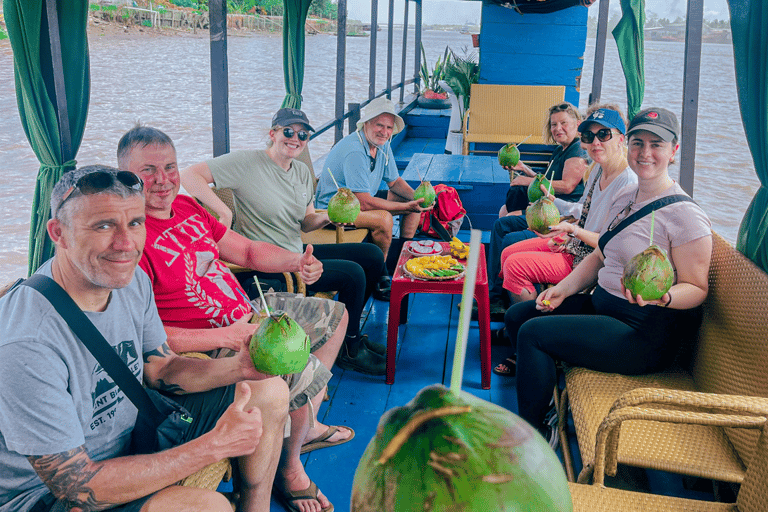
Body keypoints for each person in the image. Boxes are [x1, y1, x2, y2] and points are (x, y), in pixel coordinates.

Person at [0, 166, 288, 512]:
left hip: (130, 436)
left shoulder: (130, 280)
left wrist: (238, 367)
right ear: (58, 233)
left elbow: (161, 369)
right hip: (49, 494)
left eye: (135, 223)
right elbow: (76, 486)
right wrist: (214, 446)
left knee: (269, 391)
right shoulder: (26, 341)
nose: (126, 245)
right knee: (207, 508)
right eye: (103, 225)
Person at [117, 127, 350, 512]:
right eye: (148, 171)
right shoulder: (131, 240)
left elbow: (249, 251)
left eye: (170, 167)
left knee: (334, 317)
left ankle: (298, 431)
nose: (163, 180)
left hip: (251, 312)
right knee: (295, 366)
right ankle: (290, 468)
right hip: (210, 341)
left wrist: (298, 261)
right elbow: (146, 334)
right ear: (126, 176)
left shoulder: (190, 209)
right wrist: (228, 334)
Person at [504, 108, 712, 447]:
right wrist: (563, 288)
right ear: (627, 146)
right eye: (638, 143)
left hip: (641, 330)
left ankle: (535, 434)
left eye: (656, 144)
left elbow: (698, 287)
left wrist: (666, 296)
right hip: (603, 306)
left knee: (533, 335)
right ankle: (546, 390)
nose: (645, 153)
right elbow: (601, 254)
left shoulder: (685, 215)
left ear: (673, 151)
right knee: (518, 315)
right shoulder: (625, 196)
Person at [180, 108, 388, 376]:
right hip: (268, 264)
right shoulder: (247, 162)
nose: (295, 138)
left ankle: (351, 332)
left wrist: (328, 219)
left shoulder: (301, 171)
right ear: (273, 134)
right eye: (288, 131)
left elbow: (306, 221)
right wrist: (224, 212)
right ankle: (349, 349)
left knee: (370, 254)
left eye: (303, 134)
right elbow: (188, 175)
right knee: (353, 275)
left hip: (296, 251)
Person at [493, 105, 636, 376]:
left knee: (515, 266)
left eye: (603, 135)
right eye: (588, 137)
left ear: (621, 137)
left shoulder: (627, 184)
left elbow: (609, 243)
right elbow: (582, 210)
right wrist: (552, 202)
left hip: (588, 259)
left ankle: (524, 338)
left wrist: (571, 232)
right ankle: (519, 323)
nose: (594, 142)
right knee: (508, 251)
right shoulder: (597, 171)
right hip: (573, 242)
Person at [487, 102, 589, 316]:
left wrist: (526, 182)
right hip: (546, 208)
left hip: (559, 216)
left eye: (563, 123)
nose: (557, 128)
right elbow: (545, 180)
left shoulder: (577, 150)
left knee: (502, 226)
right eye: (553, 124)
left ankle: (494, 296)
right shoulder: (561, 150)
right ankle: (497, 293)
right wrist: (523, 169)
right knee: (507, 211)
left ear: (578, 125)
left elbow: (568, 185)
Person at [314, 97, 431, 276]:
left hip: (359, 203)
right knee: (384, 219)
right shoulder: (355, 151)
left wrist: (417, 198)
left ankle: (401, 258)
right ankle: (380, 274)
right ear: (366, 124)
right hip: (335, 212)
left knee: (410, 199)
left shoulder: (382, 144)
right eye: (379, 125)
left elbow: (395, 182)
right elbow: (365, 203)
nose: (384, 132)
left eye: (389, 127)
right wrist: (405, 207)